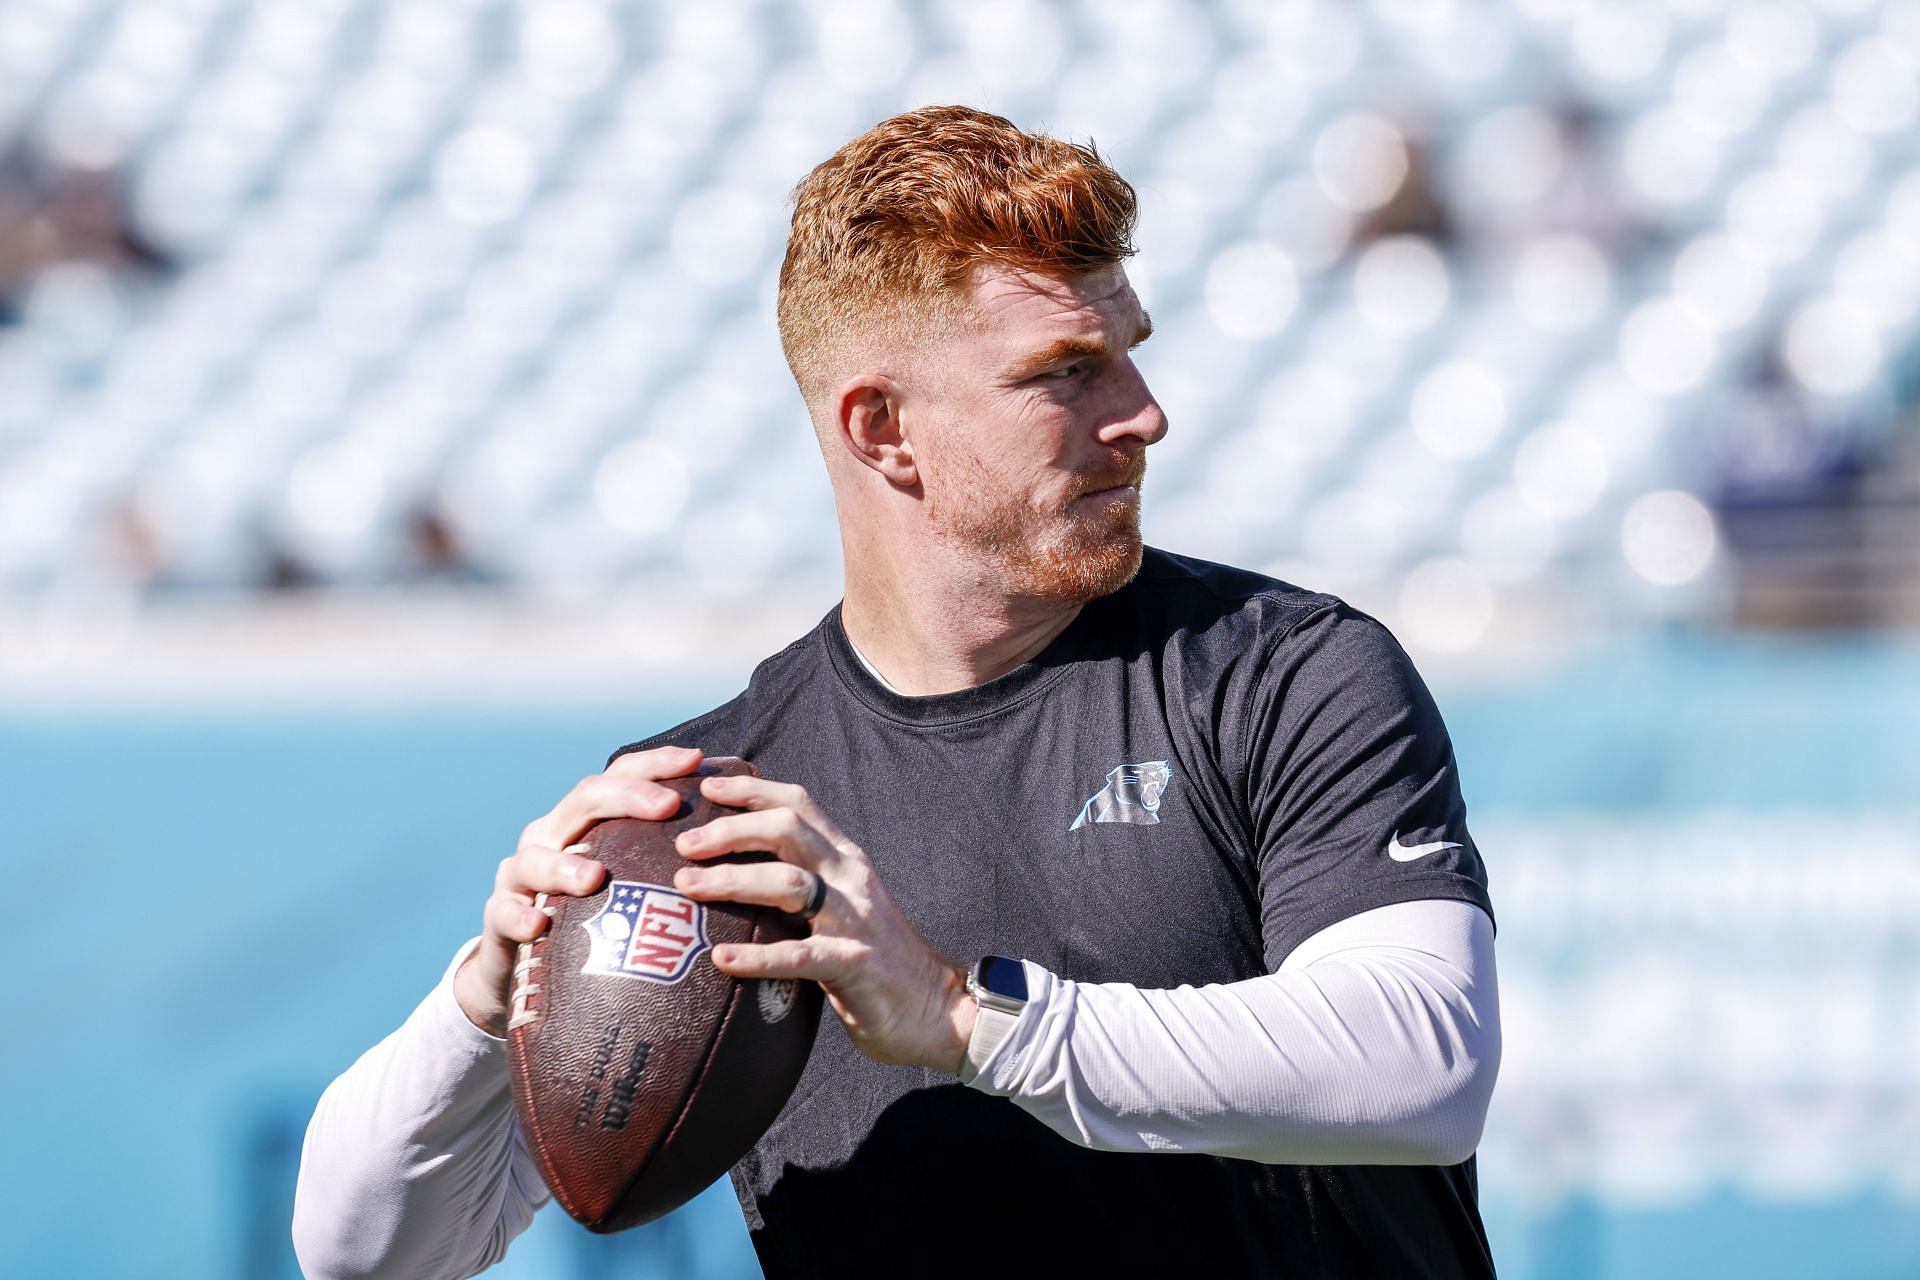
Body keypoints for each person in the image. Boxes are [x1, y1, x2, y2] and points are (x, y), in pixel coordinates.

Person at [293, 105, 1501, 1279]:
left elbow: (1423, 1061)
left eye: (1130, 349)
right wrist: (486, 997)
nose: (1143, 413)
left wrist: (966, 1018)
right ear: (882, 431)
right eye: (1066, 372)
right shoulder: (711, 817)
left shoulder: (1281, 670)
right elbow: (365, 1253)